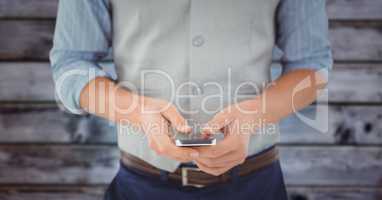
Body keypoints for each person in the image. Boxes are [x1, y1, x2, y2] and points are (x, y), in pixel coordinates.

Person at [50, 0, 332, 199]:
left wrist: (253, 115)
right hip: (140, 186)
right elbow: (71, 64)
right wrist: (136, 112)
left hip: (255, 184)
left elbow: (312, 67)